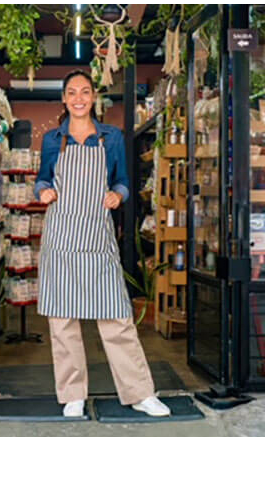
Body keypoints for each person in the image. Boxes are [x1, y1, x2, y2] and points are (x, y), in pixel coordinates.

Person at [34, 70, 171, 418]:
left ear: (94, 96)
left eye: (85, 91)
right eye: (71, 92)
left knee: (117, 318)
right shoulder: (53, 140)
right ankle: (73, 395)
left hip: (97, 237)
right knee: (63, 321)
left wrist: (117, 195)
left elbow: (124, 182)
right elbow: (42, 179)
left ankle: (140, 393)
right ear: (64, 99)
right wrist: (43, 191)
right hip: (62, 239)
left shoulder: (111, 138)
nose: (78, 98)